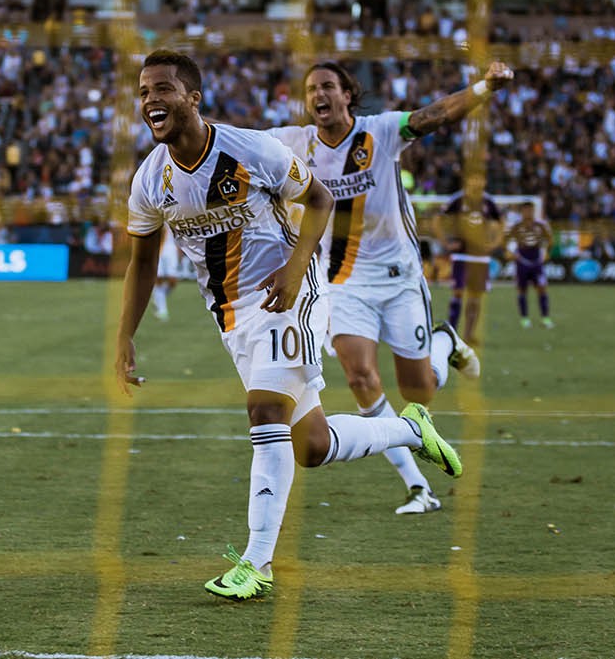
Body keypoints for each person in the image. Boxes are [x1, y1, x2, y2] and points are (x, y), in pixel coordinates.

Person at [116, 50, 462, 602]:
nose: (150, 99)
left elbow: (319, 198)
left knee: (264, 411)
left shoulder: (249, 149)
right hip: (231, 319)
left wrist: (297, 266)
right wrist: (125, 335)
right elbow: (143, 262)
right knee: (312, 446)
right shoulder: (149, 179)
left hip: (291, 294)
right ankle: (410, 429)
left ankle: (256, 564)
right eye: (143, 91)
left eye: (161, 88)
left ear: (192, 98)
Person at [268, 60, 509, 515]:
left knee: (420, 391)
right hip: (343, 283)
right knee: (360, 377)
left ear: (346, 94)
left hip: (399, 279)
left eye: (327, 86)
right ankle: (418, 486)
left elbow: (435, 114)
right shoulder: (294, 141)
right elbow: (240, 142)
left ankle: (444, 341)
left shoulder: (380, 130)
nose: (318, 94)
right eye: (311, 89)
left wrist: (484, 87)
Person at [437, 173, 503, 344]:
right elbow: (437, 220)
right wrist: (446, 243)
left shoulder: (488, 201)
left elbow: (501, 221)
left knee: (475, 298)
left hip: (480, 257)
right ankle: (451, 331)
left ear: (484, 182)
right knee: (458, 292)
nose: (476, 183)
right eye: (473, 179)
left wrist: (495, 242)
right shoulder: (458, 200)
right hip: (461, 254)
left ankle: (468, 334)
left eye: (480, 179)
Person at [507, 201, 554, 329]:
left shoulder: (540, 225)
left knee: (542, 288)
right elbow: (504, 240)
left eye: (531, 210)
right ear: (521, 212)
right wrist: (510, 253)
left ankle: (545, 318)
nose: (528, 213)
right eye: (526, 210)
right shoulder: (516, 226)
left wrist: (547, 253)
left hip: (536, 261)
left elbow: (550, 240)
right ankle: (524, 319)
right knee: (522, 290)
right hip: (522, 261)